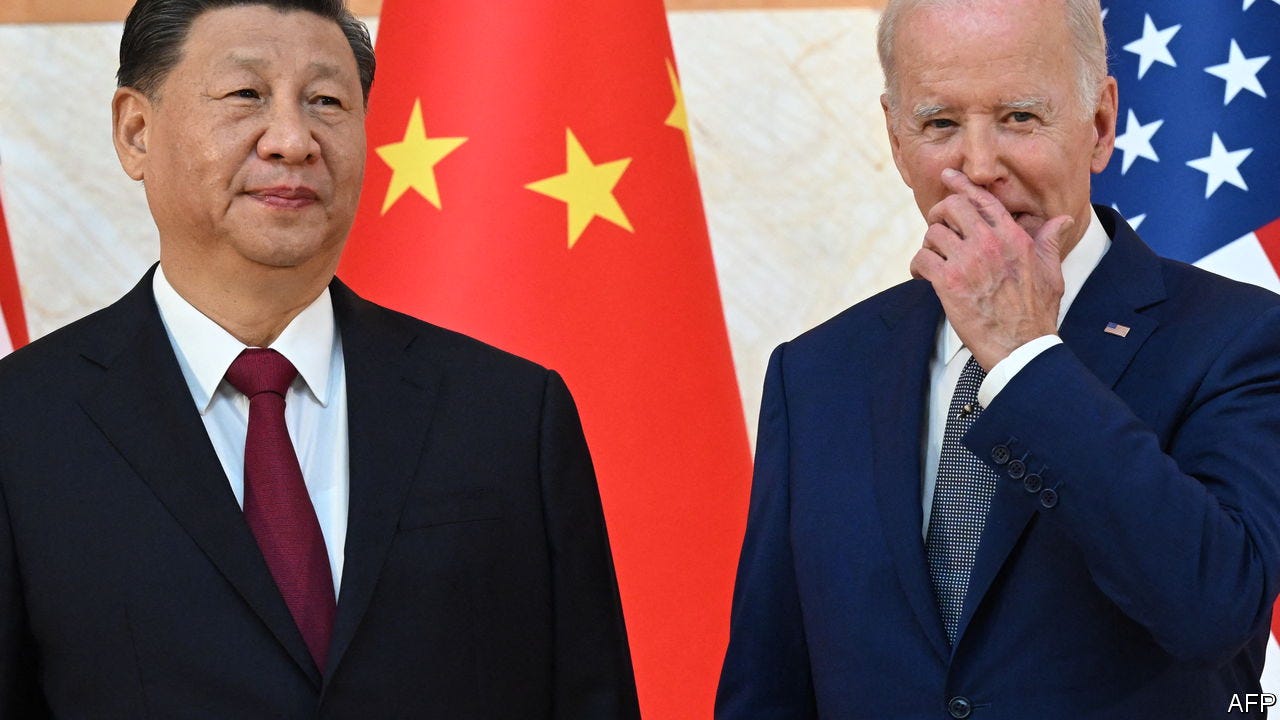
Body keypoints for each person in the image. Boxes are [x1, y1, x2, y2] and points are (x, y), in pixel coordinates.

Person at [0, 1, 639, 717]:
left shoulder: (510, 416)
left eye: (326, 101)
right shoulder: (22, 426)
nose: (293, 140)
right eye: (246, 95)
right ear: (135, 131)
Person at [717, 0, 1280, 717]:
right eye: (940, 124)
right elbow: (770, 684)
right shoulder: (817, 372)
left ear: (1100, 126)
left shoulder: (1242, 338)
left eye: (1019, 117)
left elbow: (1213, 611)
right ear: (895, 137)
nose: (979, 168)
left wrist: (1022, 357)